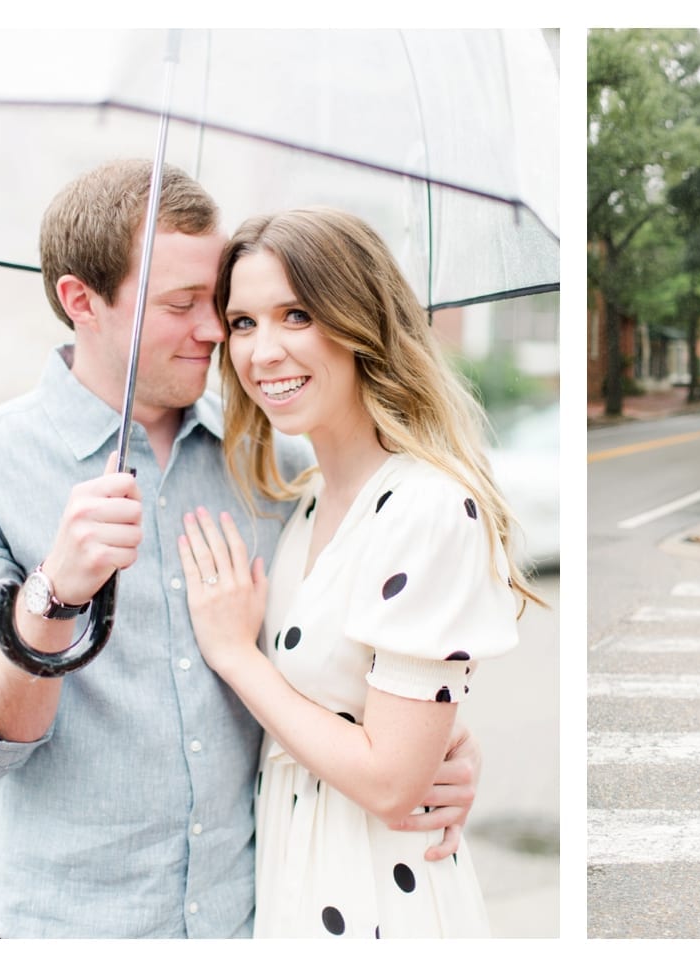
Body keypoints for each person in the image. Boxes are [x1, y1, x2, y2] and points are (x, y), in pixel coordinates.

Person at [0, 160, 481, 939]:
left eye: (218, 306)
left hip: (246, 924)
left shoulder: (275, 465)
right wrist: (54, 595)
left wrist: (435, 740)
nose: (215, 332)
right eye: (182, 306)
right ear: (82, 302)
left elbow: (344, 660)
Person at [174, 207, 538, 938]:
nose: (263, 351)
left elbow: (392, 778)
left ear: (359, 320)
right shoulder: (304, 503)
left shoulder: (427, 506)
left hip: (376, 900)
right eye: (242, 323)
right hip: (292, 878)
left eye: (296, 314)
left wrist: (236, 657)